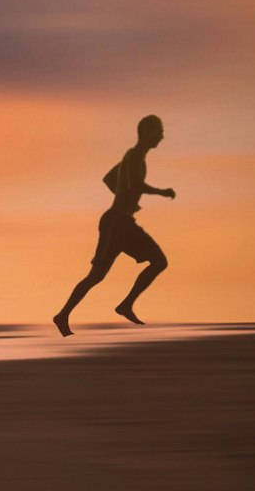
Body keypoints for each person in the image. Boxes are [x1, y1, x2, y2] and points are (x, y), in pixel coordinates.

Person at [53, 115, 175, 337]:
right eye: (159, 131)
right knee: (156, 262)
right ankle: (123, 305)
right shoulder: (135, 155)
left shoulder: (132, 156)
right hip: (119, 224)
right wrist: (162, 191)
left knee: (98, 275)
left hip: (118, 220)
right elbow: (134, 184)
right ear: (147, 132)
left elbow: (110, 178)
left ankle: (65, 315)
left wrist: (125, 199)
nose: (162, 136)